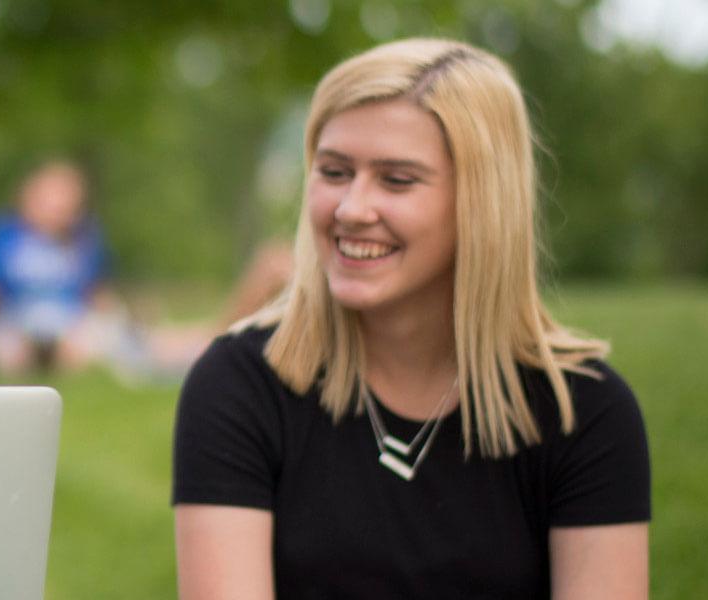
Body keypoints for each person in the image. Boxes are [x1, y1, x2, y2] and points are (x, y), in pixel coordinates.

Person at [171, 39, 650, 599]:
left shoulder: (582, 411)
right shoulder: (239, 387)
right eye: (334, 172)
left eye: (396, 180)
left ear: (481, 200)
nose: (352, 208)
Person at [0, 160, 121, 377]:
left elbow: (96, 290)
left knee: (81, 349)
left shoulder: (84, 239)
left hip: (69, 319)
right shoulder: (0, 235)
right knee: (11, 357)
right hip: (17, 318)